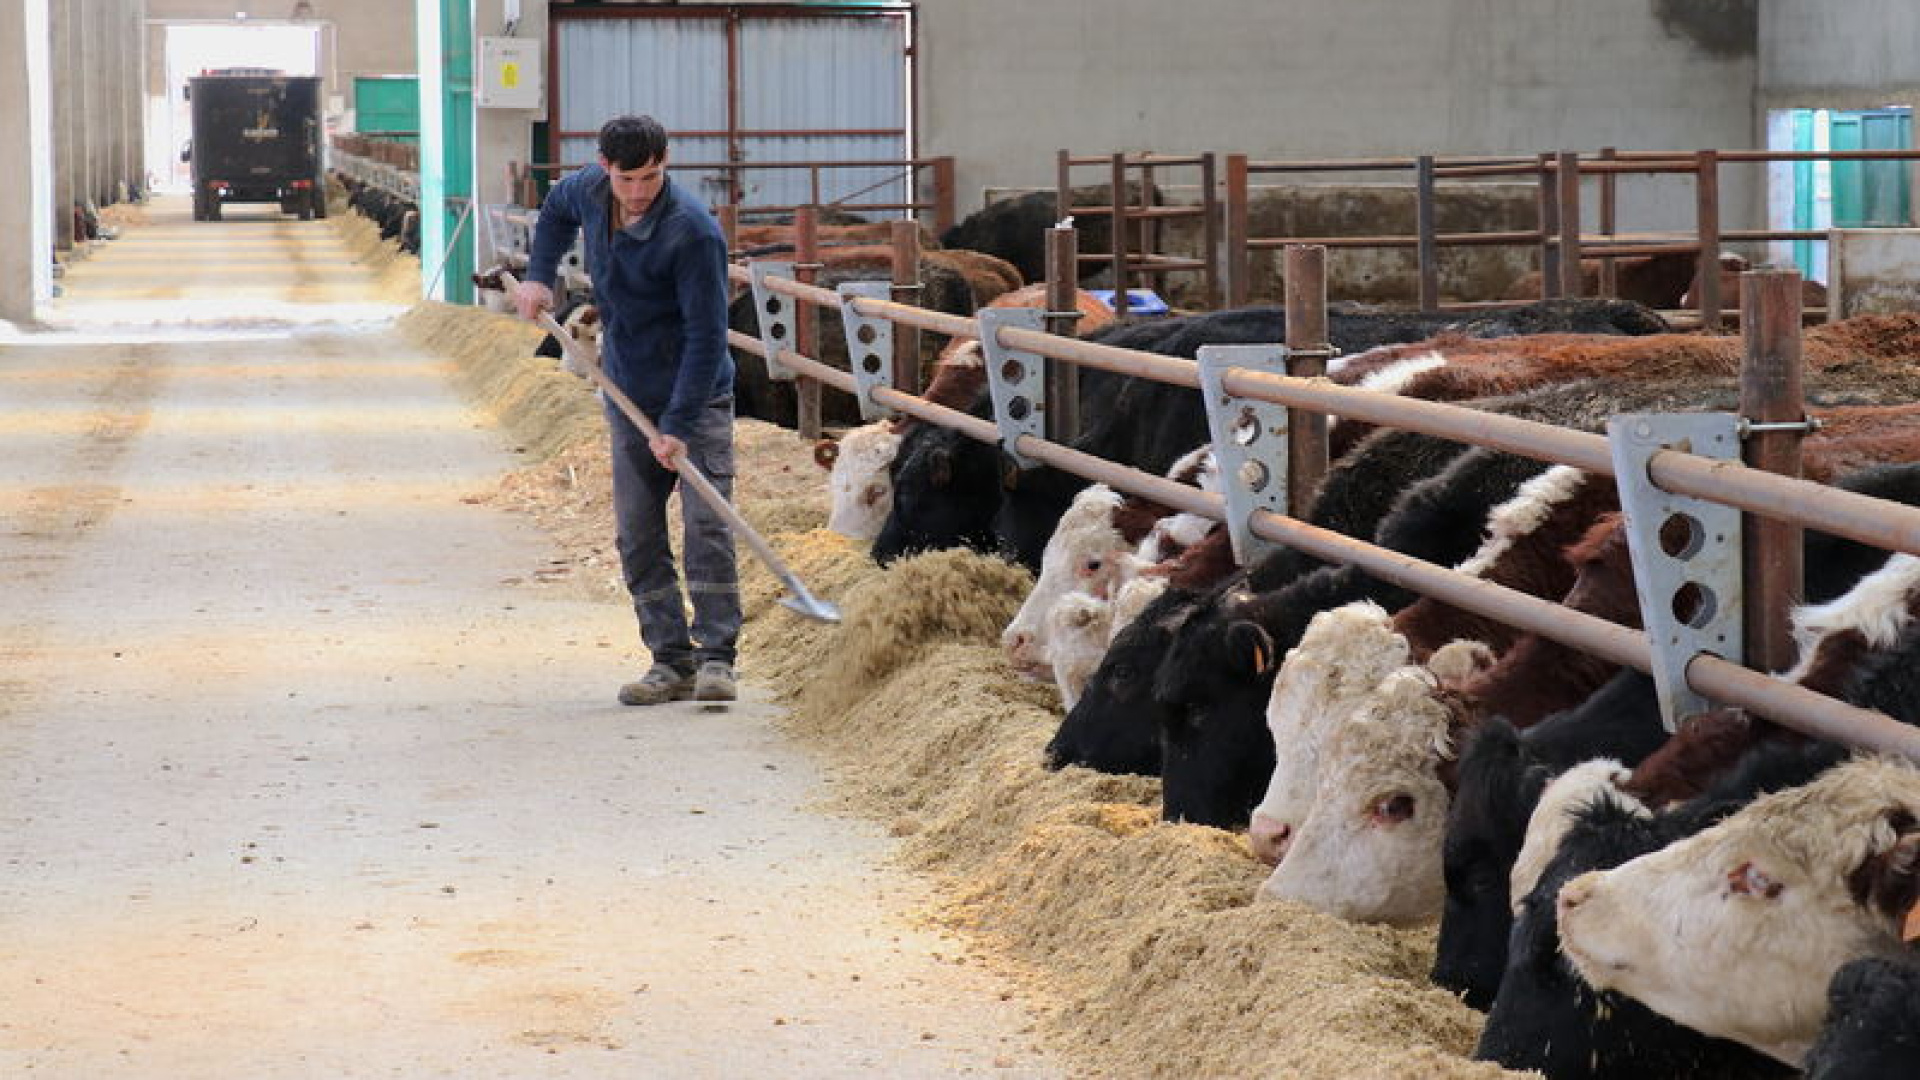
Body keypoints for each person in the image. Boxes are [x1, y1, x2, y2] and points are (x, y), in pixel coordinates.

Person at [515, 115, 740, 706]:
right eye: (627, 179)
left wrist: (678, 427)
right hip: (627, 389)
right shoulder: (586, 189)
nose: (639, 192)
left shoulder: (692, 233)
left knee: (706, 528)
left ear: (666, 161)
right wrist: (539, 278)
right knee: (637, 534)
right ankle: (670, 661)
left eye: (650, 176)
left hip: (696, 396)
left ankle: (718, 657)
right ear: (604, 166)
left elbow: (706, 337)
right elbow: (554, 214)